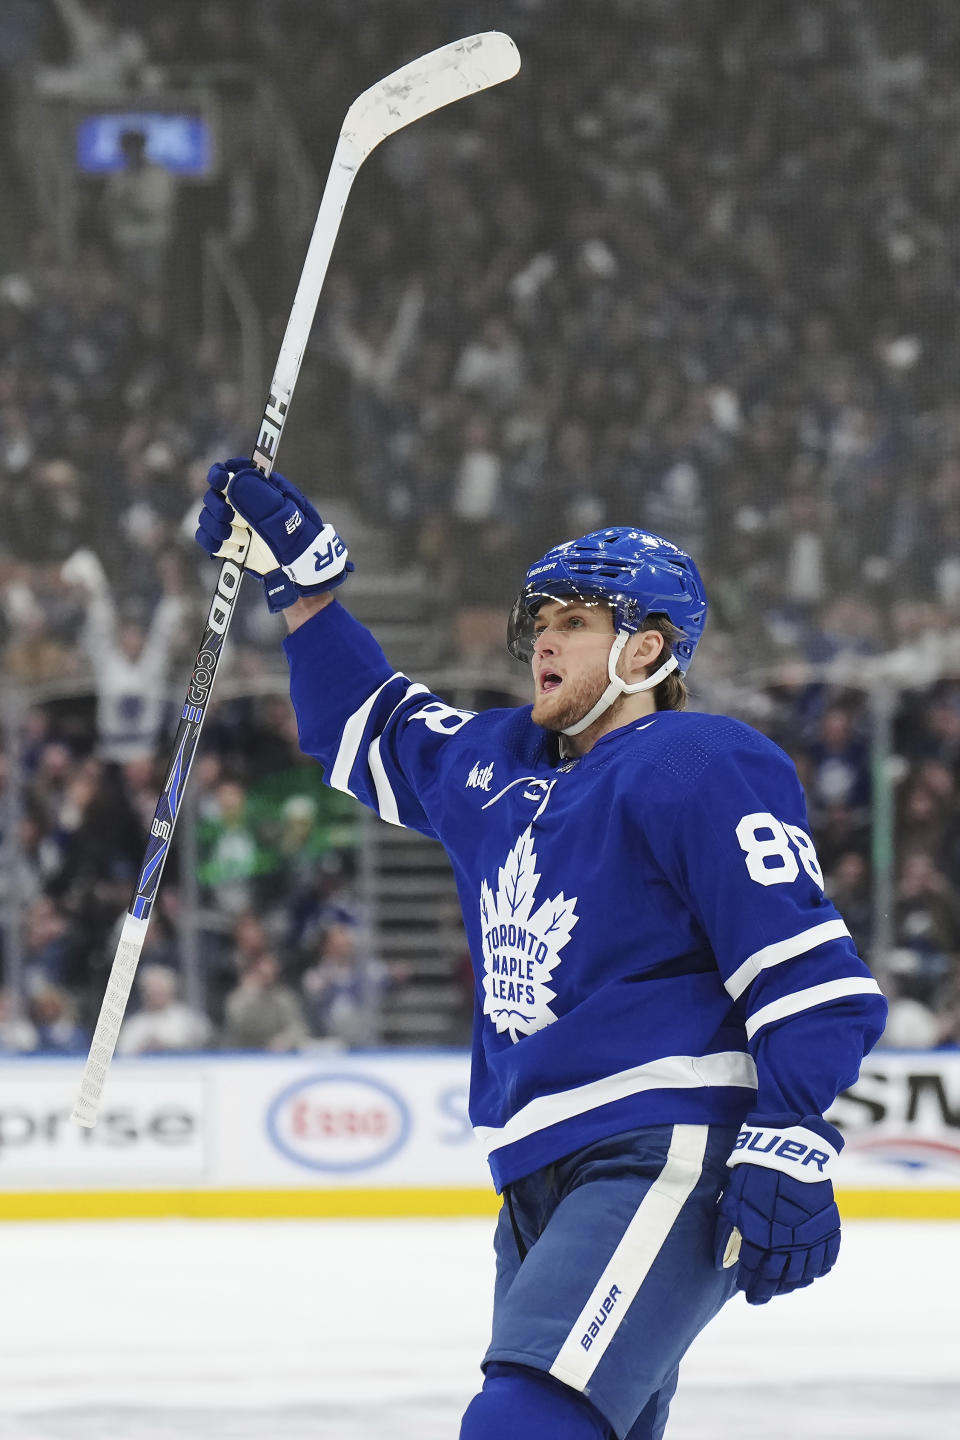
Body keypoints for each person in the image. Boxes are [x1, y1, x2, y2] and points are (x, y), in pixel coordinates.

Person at [195, 460, 887, 1440]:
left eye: (575, 622)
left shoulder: (698, 760)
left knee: (520, 1425)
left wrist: (791, 1138)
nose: (543, 643)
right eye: (541, 623)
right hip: (537, 1168)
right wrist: (305, 586)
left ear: (646, 648)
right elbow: (370, 724)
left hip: (664, 1142)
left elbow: (808, 979)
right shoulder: (496, 762)